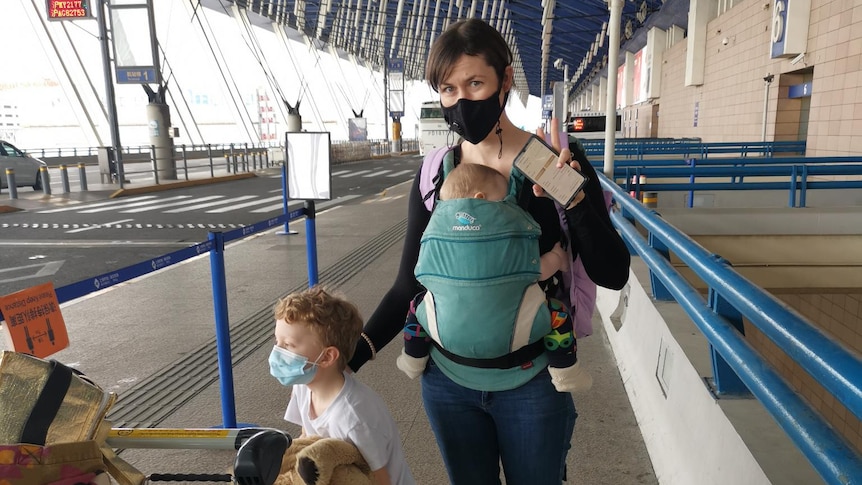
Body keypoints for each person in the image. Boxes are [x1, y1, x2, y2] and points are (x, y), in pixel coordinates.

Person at [347, 18, 630, 485]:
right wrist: (351, 358)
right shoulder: (437, 172)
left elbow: (613, 272)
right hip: (447, 384)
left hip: (536, 382)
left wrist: (573, 196)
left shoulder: (553, 158)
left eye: (475, 83)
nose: (461, 101)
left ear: (506, 80)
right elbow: (411, 282)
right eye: (448, 88)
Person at [395, 162, 591, 393]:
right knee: (558, 315)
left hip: (445, 335)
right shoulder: (506, 229)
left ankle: (412, 358)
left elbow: (421, 276)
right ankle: (565, 372)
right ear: (480, 197)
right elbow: (536, 270)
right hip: (514, 337)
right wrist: (557, 258)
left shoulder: (437, 230)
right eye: (503, 198)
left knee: (416, 307)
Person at [269, 286, 415, 485]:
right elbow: (306, 440)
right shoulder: (304, 386)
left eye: (288, 345)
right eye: (277, 341)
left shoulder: (354, 415)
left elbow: (380, 477)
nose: (277, 351)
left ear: (328, 356)